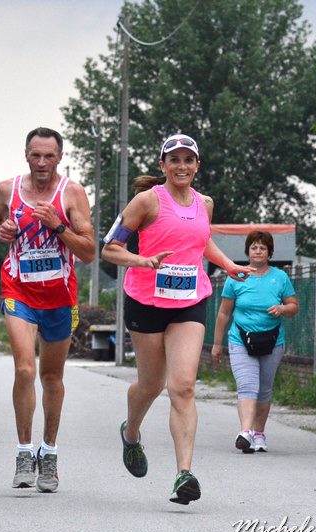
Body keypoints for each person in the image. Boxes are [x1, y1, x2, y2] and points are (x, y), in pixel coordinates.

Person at [101, 133, 250, 505]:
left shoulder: (205, 203)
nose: (182, 166)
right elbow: (110, 248)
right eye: (175, 160)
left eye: (188, 160)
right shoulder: (147, 201)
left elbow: (201, 240)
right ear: (163, 165)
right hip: (146, 301)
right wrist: (142, 261)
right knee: (150, 385)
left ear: (197, 165)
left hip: (188, 301)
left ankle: (184, 473)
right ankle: (131, 433)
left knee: (182, 386)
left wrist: (228, 264)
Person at [0, 126, 95, 493]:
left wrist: (57, 225)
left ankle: (49, 453)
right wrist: (0, 230)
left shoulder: (72, 193)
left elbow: (89, 251)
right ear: (26, 155)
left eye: (49, 156)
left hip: (60, 296)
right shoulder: (8, 189)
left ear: (60, 157)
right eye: (36, 155)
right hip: (19, 290)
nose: (42, 162)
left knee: (51, 377)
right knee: (24, 369)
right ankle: (23, 452)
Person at [211, 231, 299, 453]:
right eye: (254, 247)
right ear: (247, 251)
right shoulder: (236, 276)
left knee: (264, 389)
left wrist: (282, 308)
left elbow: (293, 307)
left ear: (269, 252)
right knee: (247, 385)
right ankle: (246, 432)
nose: (258, 251)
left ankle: (259, 433)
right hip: (240, 339)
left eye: (262, 248)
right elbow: (223, 313)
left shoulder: (280, 277)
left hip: (272, 340)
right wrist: (217, 344)